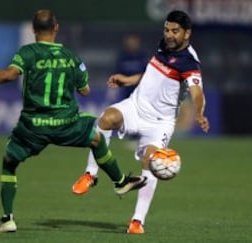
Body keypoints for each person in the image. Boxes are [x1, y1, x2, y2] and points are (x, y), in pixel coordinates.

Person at [0, 9, 146, 233]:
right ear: (56, 29)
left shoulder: (27, 52)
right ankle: (120, 181)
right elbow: (85, 91)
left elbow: (9, 74)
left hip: (33, 127)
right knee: (96, 135)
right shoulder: (71, 57)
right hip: (66, 124)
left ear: (34, 30)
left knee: (9, 162)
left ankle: (8, 219)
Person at [72, 10, 210, 234]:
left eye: (175, 31)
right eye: (167, 30)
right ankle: (90, 173)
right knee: (106, 118)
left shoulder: (189, 63)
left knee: (151, 161)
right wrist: (128, 79)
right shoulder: (163, 46)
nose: (169, 35)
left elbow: (197, 92)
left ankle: (137, 221)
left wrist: (200, 113)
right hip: (136, 106)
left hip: (160, 122)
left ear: (187, 34)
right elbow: (151, 71)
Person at [114, 33, 149, 102]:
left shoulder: (143, 56)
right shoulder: (123, 56)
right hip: (125, 90)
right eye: (129, 41)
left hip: (140, 89)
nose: (131, 44)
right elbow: (117, 72)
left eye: (133, 42)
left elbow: (147, 72)